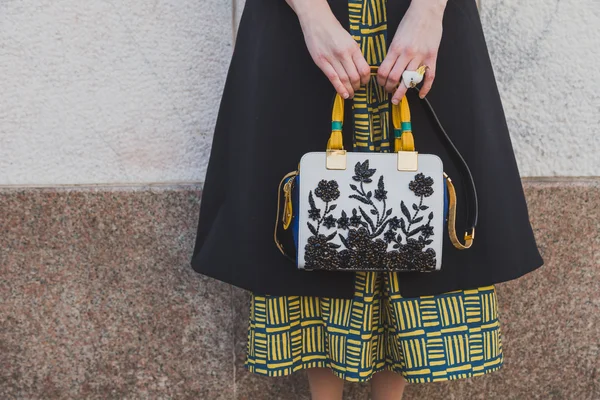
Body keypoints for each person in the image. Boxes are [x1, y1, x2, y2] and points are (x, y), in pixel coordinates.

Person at [191, 0, 544, 398]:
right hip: (297, 18)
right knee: (312, 222)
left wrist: (428, 13)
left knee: (416, 219)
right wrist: (312, 15)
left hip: (422, 20)